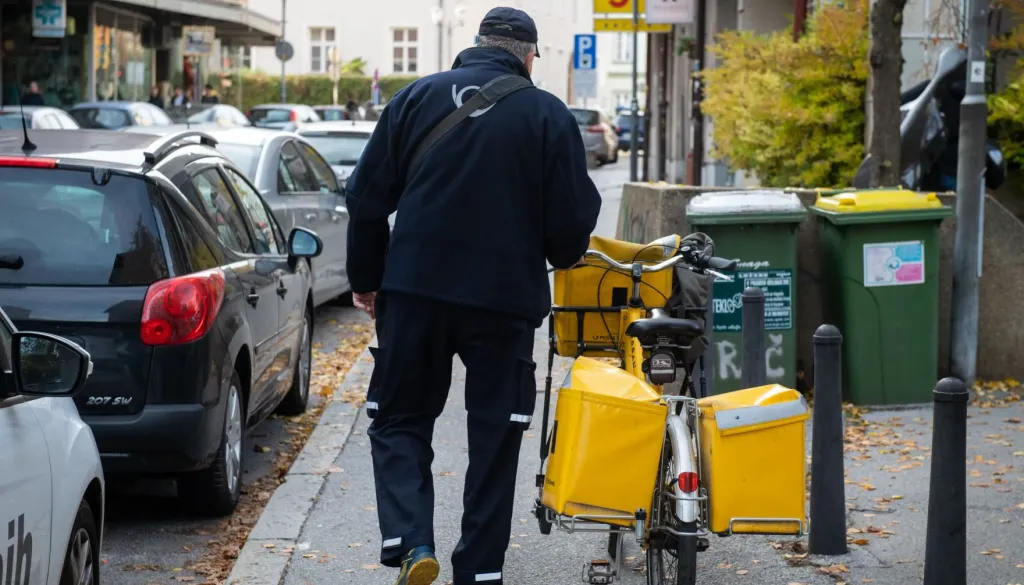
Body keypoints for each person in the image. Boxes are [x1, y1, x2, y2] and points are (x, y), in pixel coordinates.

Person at [343, 6, 601, 585]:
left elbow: (365, 198)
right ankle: (479, 572)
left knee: (400, 418)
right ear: (529, 57)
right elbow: (569, 227)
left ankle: (412, 542)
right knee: (496, 435)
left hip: (415, 290)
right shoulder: (548, 115)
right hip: (503, 301)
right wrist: (560, 251)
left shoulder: (414, 98)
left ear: (476, 44)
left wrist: (367, 279)